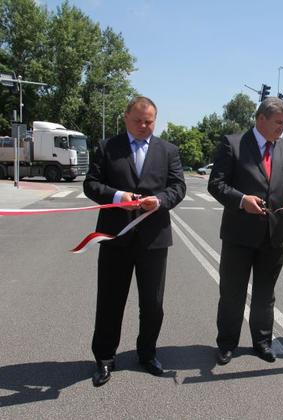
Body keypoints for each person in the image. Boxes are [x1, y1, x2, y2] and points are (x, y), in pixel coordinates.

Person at [84, 96, 186, 386]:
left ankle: (147, 353)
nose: (144, 126)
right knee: (110, 301)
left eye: (149, 121)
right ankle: (104, 358)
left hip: (153, 239)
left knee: (152, 304)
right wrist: (118, 197)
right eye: (138, 120)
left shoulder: (168, 150)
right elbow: (90, 184)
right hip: (115, 237)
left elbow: (178, 187)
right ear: (126, 117)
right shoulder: (107, 147)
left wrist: (162, 200)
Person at [208, 97, 283, 365]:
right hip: (239, 235)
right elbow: (216, 184)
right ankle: (227, 343)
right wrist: (242, 200)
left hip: (274, 236)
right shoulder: (233, 144)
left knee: (265, 294)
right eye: (278, 122)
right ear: (260, 119)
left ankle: (262, 342)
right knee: (232, 293)